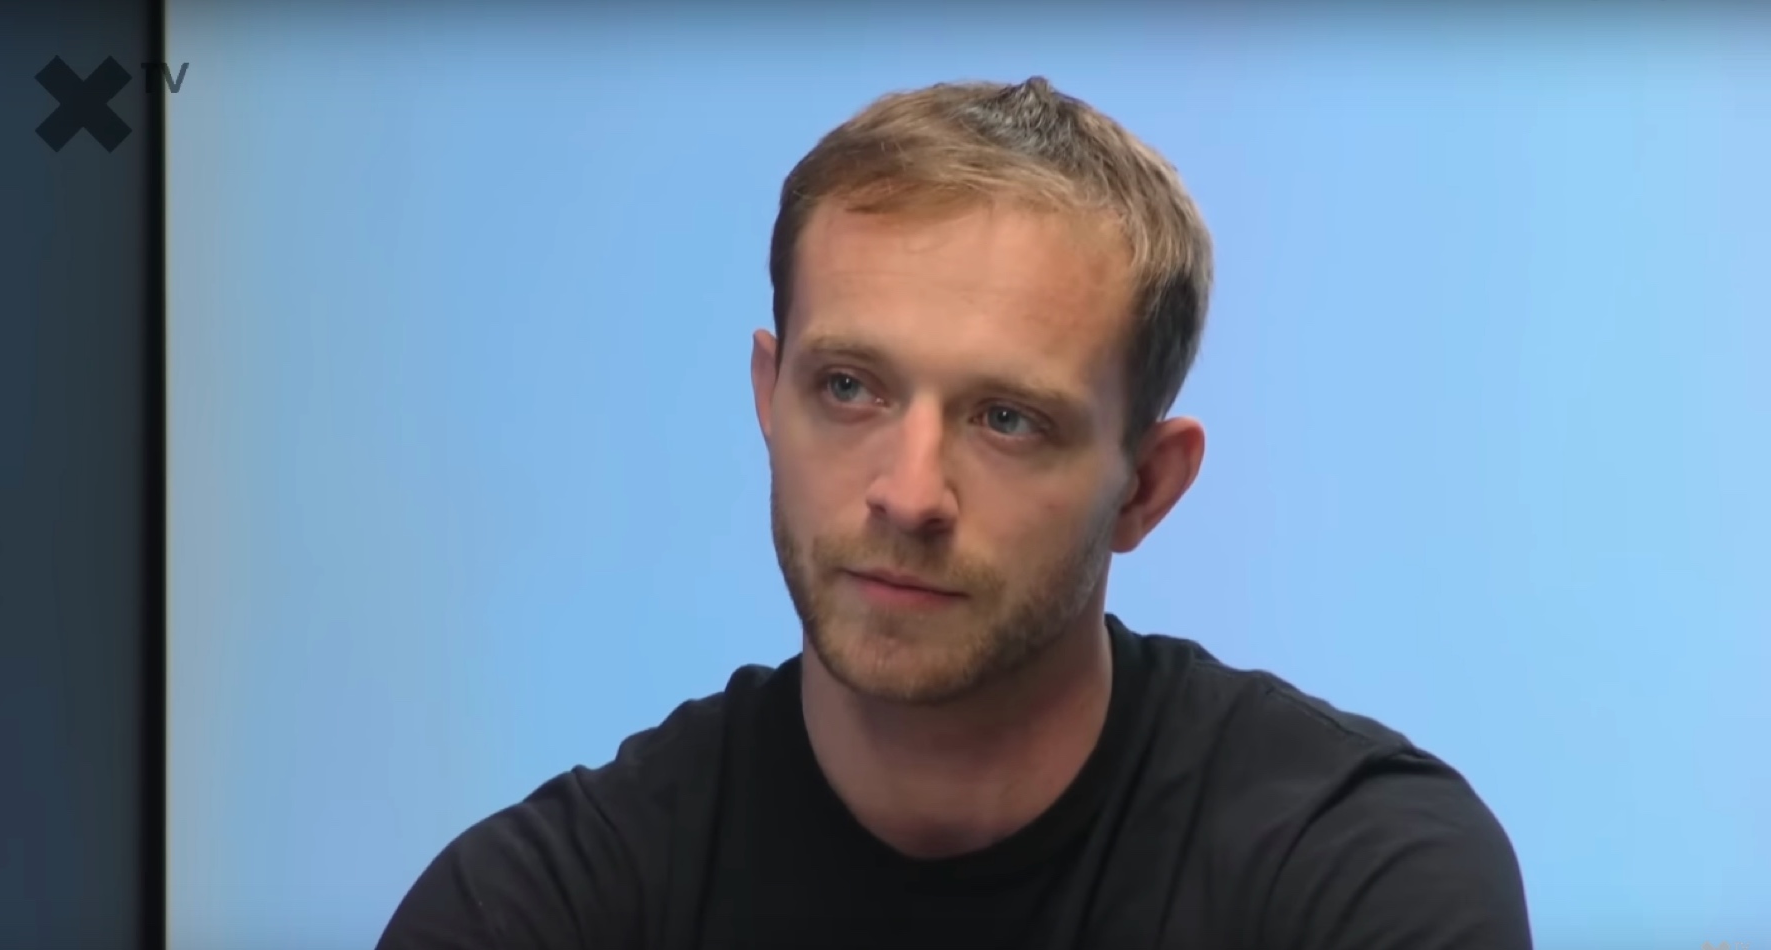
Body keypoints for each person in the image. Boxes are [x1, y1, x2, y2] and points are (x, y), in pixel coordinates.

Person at [374, 76, 1532, 949]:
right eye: (849, 387)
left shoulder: (1356, 874)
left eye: (1007, 418)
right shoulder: (541, 905)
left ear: (1146, 486)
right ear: (769, 397)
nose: (909, 492)